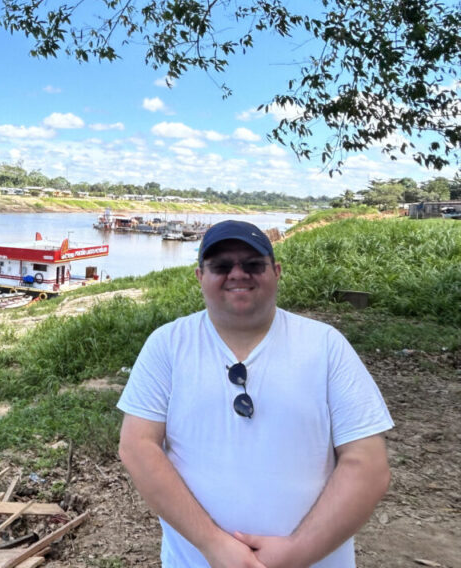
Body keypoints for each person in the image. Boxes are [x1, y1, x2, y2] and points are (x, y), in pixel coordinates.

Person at [117, 220, 393, 568]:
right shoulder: (167, 345)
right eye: (221, 266)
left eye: (252, 264)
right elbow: (137, 446)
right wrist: (212, 543)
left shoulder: (325, 345)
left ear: (276, 272)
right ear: (200, 276)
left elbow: (368, 464)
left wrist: (296, 552)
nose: (237, 274)